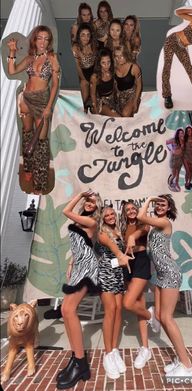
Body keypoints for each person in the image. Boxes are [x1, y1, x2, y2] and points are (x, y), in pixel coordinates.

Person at [137, 194, 192, 378]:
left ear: (169, 208)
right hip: (161, 275)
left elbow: (140, 216)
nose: (160, 206)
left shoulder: (164, 222)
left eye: (164, 204)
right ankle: (180, 358)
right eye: (158, 203)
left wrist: (150, 199)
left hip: (170, 273)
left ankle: (187, 367)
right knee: (161, 317)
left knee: (168, 318)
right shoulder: (155, 226)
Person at [56, 190, 102, 390]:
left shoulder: (91, 222)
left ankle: (81, 363)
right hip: (78, 265)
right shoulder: (81, 220)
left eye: (93, 202)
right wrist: (70, 263)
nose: (89, 203)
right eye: (88, 201)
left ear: (97, 206)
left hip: (88, 268)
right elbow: (80, 246)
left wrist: (82, 194)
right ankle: (76, 358)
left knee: (68, 310)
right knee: (66, 311)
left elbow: (66, 210)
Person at [7, 25, 60, 194]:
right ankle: (28, 168)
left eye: (46, 39)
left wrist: (49, 107)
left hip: (42, 102)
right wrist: (13, 52)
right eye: (40, 38)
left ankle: (40, 183)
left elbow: (54, 86)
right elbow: (12, 70)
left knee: (41, 143)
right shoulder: (30, 58)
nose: (43, 42)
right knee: (27, 134)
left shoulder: (52, 58)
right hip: (26, 99)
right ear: (35, 40)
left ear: (49, 41)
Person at [95, 206, 134, 379]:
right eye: (107, 215)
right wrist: (121, 256)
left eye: (112, 214)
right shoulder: (101, 233)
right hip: (105, 274)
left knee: (119, 311)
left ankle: (114, 350)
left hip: (117, 274)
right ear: (102, 218)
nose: (110, 217)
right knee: (110, 312)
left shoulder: (117, 230)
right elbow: (114, 249)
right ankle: (107, 354)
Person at [120, 200, 156, 369]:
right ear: (125, 213)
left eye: (134, 208)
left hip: (141, 261)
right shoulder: (122, 227)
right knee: (138, 304)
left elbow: (144, 230)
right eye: (128, 209)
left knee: (127, 303)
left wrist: (133, 237)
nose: (132, 211)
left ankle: (151, 316)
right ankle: (145, 348)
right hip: (128, 264)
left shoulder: (143, 223)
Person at [72, 23, 97, 112]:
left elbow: (96, 62)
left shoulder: (93, 45)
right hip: (82, 73)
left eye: (88, 35)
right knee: (84, 100)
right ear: (79, 36)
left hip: (94, 73)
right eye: (83, 35)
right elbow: (77, 67)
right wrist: (84, 79)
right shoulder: (75, 48)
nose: (86, 38)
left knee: (94, 102)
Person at [114, 45, 142, 117]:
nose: (119, 58)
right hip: (119, 96)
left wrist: (136, 100)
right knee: (117, 116)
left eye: (121, 56)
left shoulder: (134, 67)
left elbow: (139, 85)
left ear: (126, 55)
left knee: (125, 114)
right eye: (116, 56)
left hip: (132, 94)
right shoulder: (114, 67)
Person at [90, 48, 119, 116]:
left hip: (113, 100)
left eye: (108, 62)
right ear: (99, 63)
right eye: (103, 63)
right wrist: (95, 107)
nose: (106, 65)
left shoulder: (113, 71)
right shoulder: (95, 77)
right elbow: (92, 94)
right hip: (101, 102)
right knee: (117, 117)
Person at [183, 125, 192, 190]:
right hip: (185, 156)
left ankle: (189, 182)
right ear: (186, 132)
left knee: (191, 171)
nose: (189, 132)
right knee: (187, 171)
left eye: (190, 130)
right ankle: (186, 183)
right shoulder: (184, 138)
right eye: (187, 131)